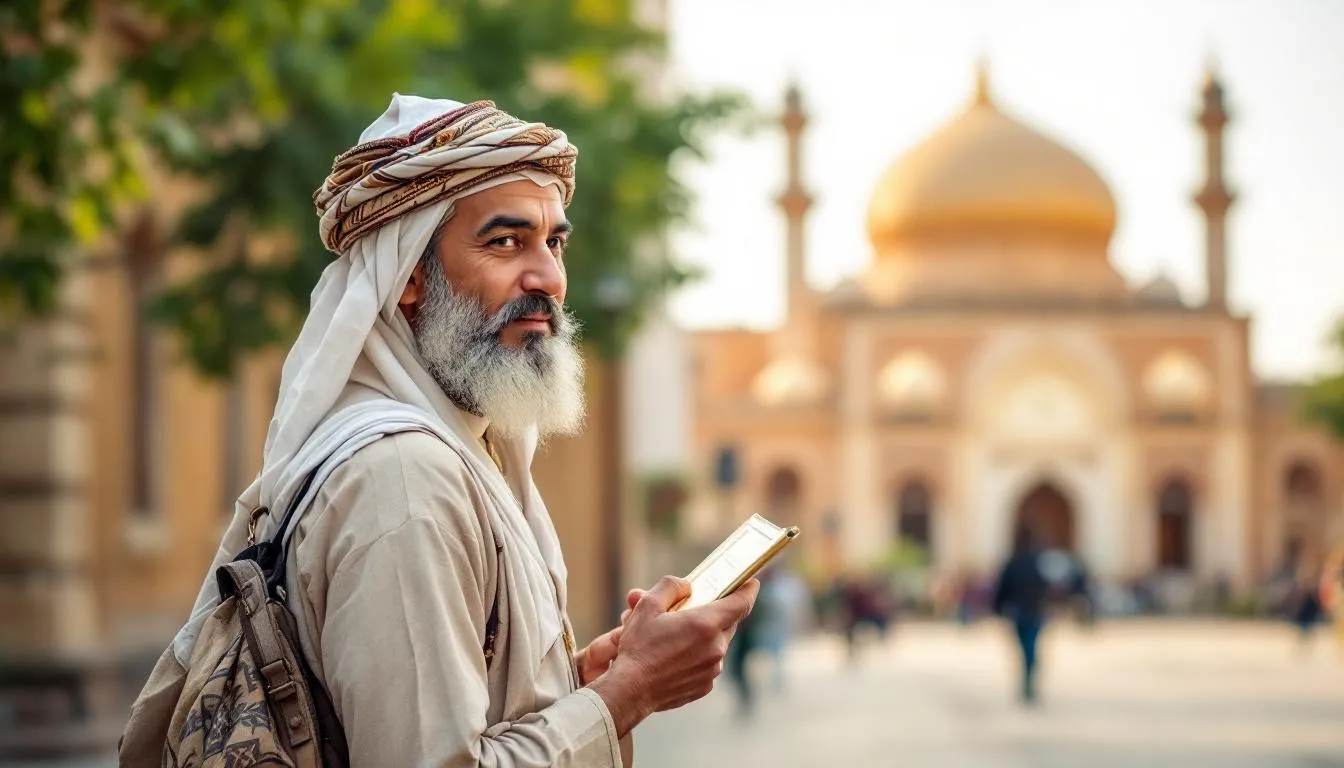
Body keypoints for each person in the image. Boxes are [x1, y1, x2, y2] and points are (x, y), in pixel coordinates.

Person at [141, 95, 757, 766]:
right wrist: (630, 693)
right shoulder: (402, 480)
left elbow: (450, 723)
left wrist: (585, 681)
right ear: (407, 275)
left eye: (554, 242)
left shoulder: (463, 454)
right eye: (505, 241)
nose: (549, 277)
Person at [993, 527, 1050, 705]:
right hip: (1034, 611)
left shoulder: (1013, 563)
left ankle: (1027, 679)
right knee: (1031, 646)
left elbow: (1002, 590)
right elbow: (1045, 587)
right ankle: (1029, 679)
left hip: (1019, 612)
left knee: (1024, 647)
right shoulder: (1038, 563)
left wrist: (998, 608)